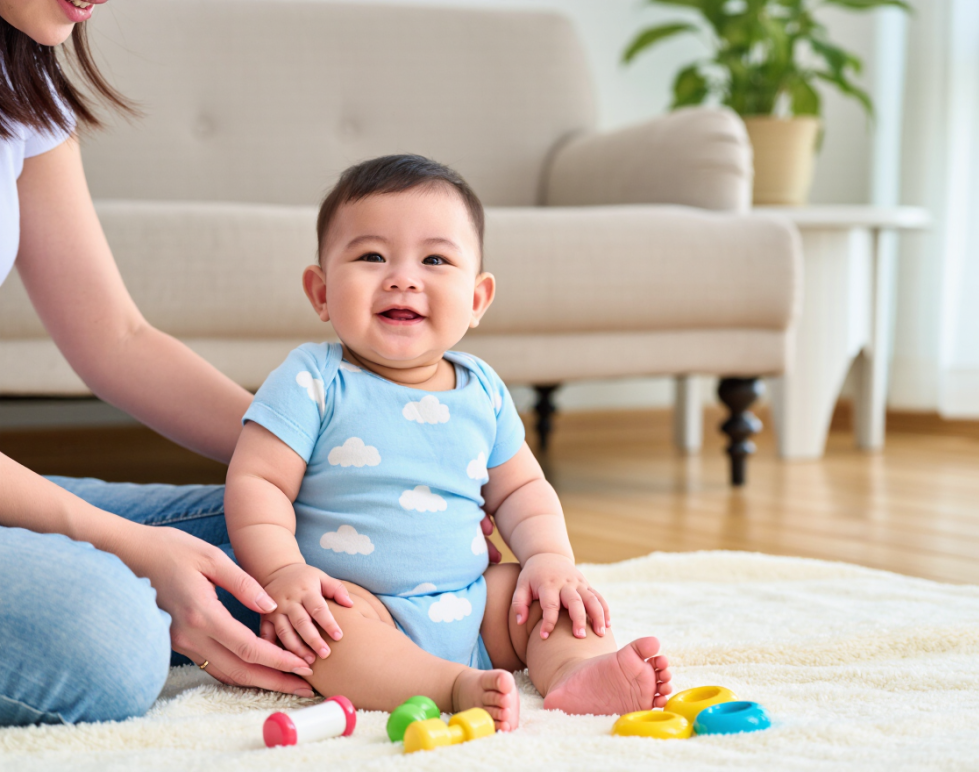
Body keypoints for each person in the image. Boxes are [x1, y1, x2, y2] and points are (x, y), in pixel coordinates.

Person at [0, 1, 501, 727]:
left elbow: (116, 337)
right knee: (107, 641)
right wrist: (130, 547)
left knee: (311, 539)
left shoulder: (26, 91)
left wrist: (349, 465)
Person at [224, 155, 674, 731]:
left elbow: (522, 492)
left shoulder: (483, 389)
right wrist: (284, 572)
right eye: (370, 257)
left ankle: (576, 672)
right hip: (364, 606)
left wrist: (550, 559)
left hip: (475, 602)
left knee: (551, 599)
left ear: (478, 299)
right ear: (320, 291)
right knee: (326, 634)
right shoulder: (313, 377)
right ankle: (450, 686)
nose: (403, 278)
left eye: (435, 259)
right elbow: (257, 481)